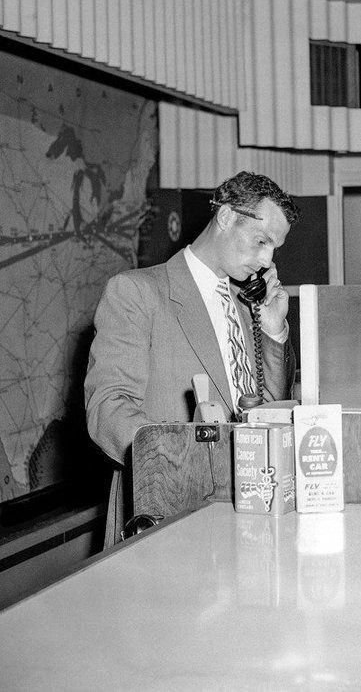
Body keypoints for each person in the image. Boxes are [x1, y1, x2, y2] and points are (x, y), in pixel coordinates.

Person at [85, 171, 299, 547]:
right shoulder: (138, 292)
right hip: (167, 512)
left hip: (246, 514)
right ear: (227, 217)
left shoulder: (248, 304)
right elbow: (108, 408)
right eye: (262, 241)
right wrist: (186, 463)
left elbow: (269, 410)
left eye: (274, 249)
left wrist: (273, 330)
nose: (267, 260)